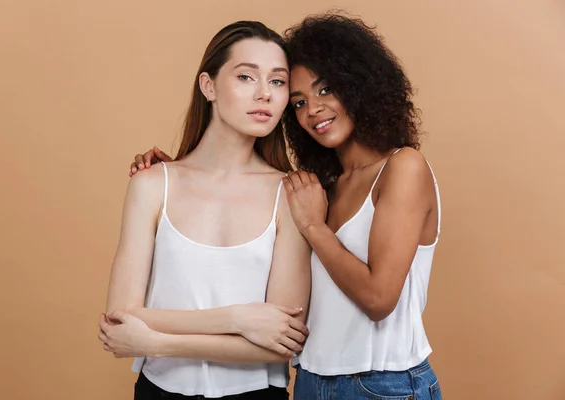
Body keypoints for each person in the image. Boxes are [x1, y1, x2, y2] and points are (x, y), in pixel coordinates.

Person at [130, 12, 443, 400]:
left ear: (359, 84)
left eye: (326, 89)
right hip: (310, 380)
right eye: (298, 101)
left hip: (383, 383)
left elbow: (379, 300)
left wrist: (314, 228)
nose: (313, 109)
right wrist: (175, 173)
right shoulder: (320, 185)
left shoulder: (403, 167)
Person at [98, 21, 311, 400]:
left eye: (278, 82)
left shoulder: (291, 194)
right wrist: (239, 319)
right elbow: (121, 317)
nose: (264, 94)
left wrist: (158, 341)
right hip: (158, 391)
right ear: (208, 86)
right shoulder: (152, 184)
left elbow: (282, 342)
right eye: (246, 77)